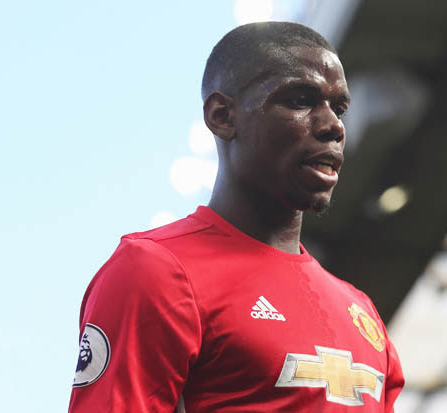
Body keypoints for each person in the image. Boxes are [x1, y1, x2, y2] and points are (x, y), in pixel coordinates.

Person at [69, 21, 404, 412]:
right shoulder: (158, 270)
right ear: (223, 116)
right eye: (300, 100)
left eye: (340, 109)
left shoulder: (362, 313)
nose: (333, 126)